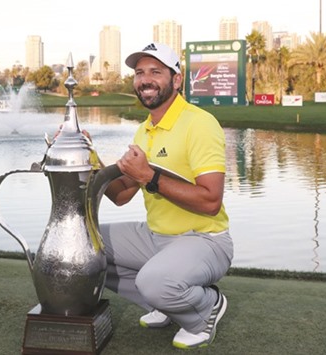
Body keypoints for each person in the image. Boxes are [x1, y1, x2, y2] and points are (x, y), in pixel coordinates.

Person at [100, 42, 234, 349]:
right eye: (139, 72)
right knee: (86, 246)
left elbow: (211, 202)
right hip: (155, 237)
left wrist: (149, 176)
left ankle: (206, 309)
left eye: (156, 72)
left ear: (176, 79)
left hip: (204, 239)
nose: (145, 79)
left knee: (155, 281)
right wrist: (90, 161)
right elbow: (121, 196)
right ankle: (165, 305)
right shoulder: (144, 131)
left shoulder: (199, 123)